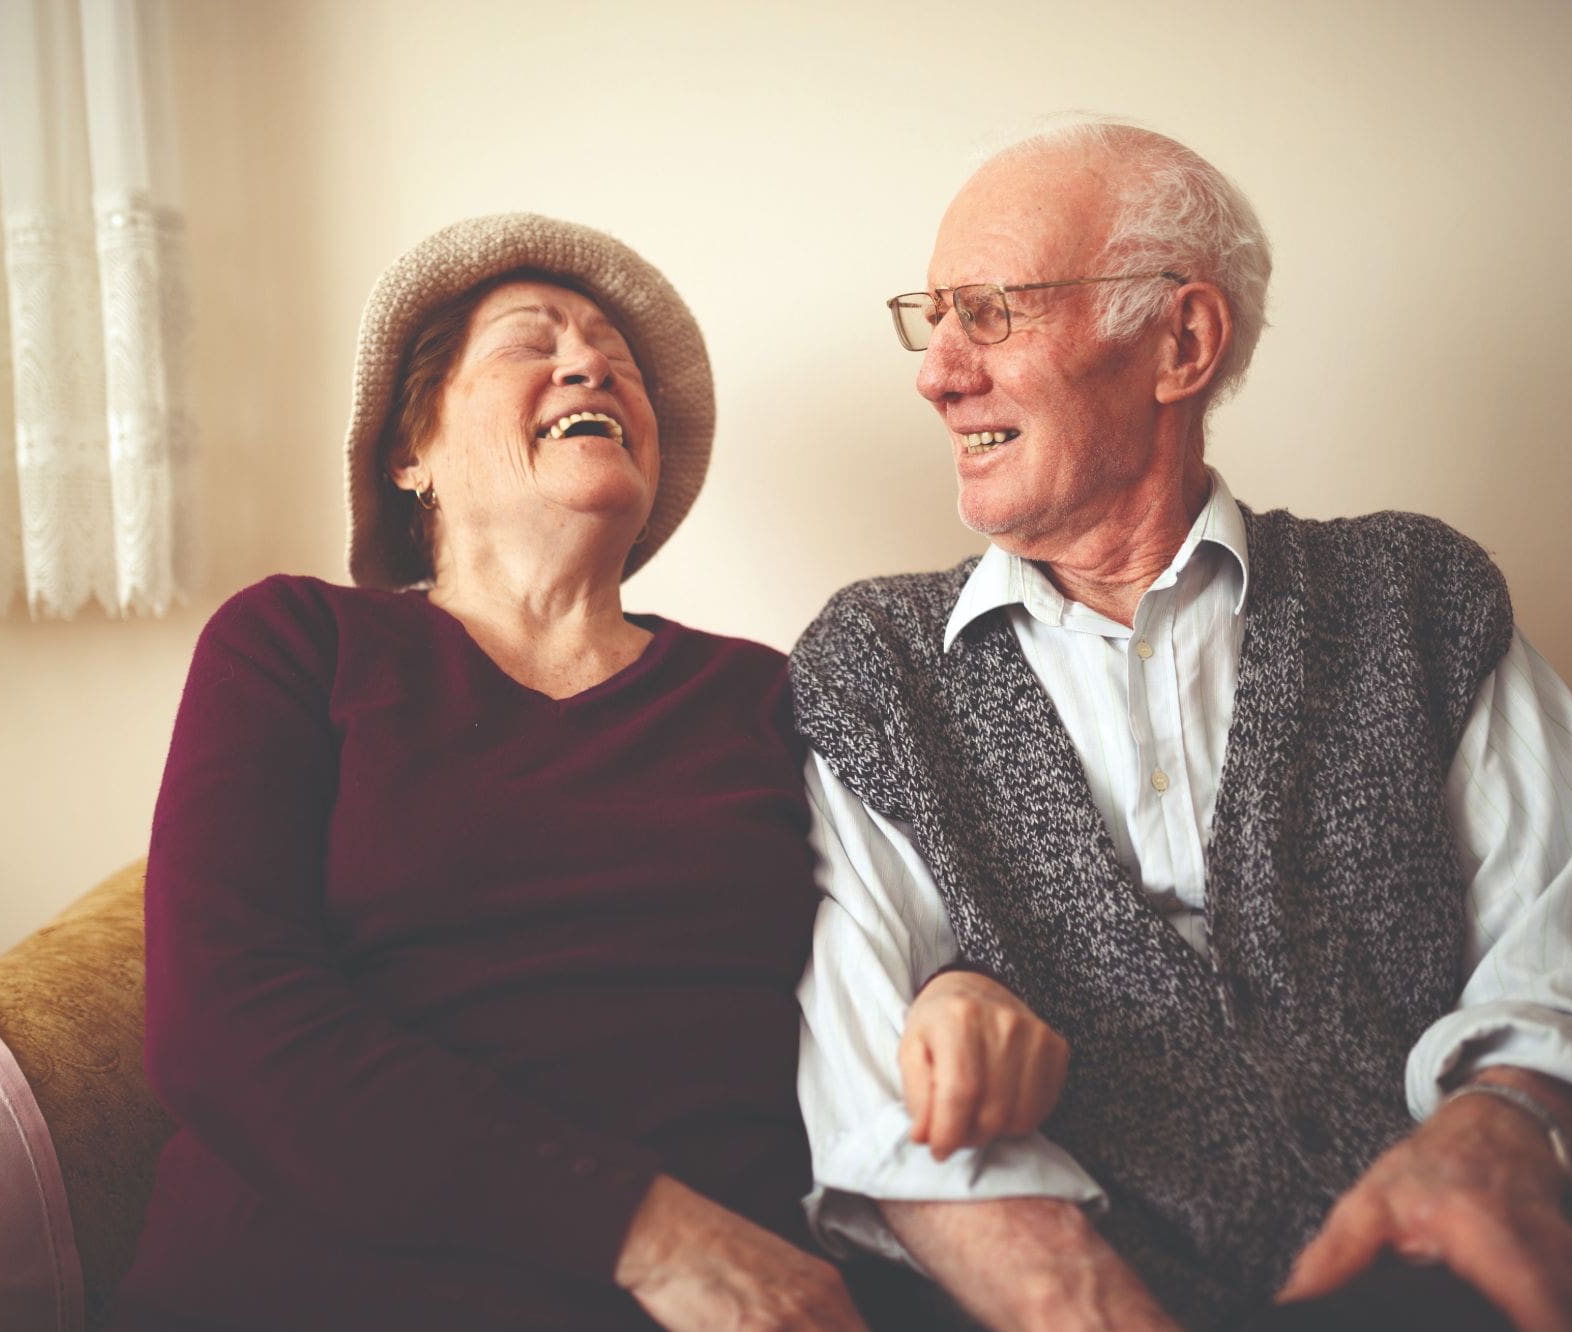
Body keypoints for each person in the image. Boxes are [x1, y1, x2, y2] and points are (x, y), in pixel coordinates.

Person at [790, 120, 1572, 1332]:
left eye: (990, 310)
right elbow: (871, 1089)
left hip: (1427, 1280)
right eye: (931, 316)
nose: (936, 371)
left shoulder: (1411, 598)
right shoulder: (872, 667)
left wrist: (1495, 1139)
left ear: (1180, 340)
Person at [107, 213, 1053, 1331]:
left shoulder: (767, 694)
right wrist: (648, 1234)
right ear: (410, 451)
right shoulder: (297, 643)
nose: (590, 360)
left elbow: (906, 918)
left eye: (613, 354)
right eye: (528, 339)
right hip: (325, 1285)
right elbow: (223, 1028)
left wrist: (960, 985)